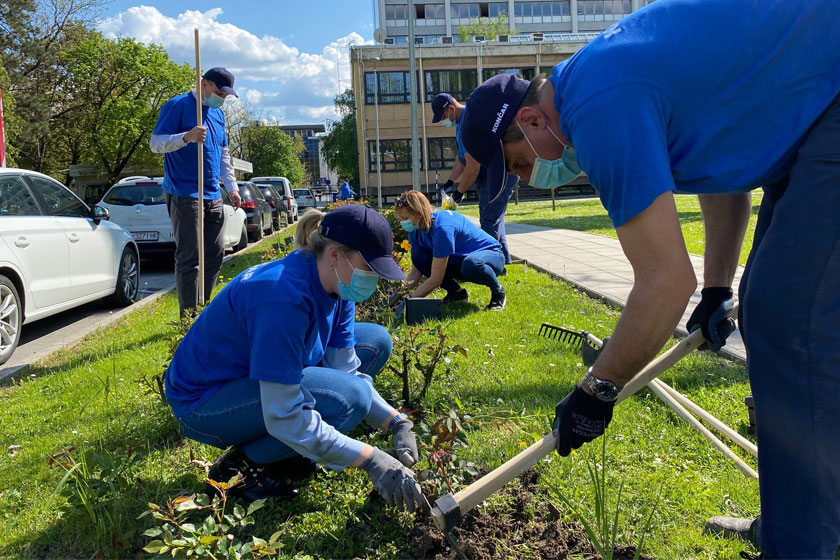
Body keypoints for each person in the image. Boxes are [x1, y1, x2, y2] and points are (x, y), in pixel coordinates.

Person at [459, 2, 840, 558]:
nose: (529, 179)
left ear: (533, 121)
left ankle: (805, 542)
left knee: (791, 322)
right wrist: (717, 290)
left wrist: (598, 389)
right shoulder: (598, 79)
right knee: (769, 312)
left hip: (828, 94)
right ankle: (803, 519)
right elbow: (722, 168)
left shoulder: (597, 111)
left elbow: (662, 283)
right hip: (810, 107)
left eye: (518, 164)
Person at [163, 205, 424, 511]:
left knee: (374, 342)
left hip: (254, 378)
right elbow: (284, 414)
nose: (373, 278)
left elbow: (347, 369)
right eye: (368, 266)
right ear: (335, 255)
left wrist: (396, 422)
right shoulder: (282, 298)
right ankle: (241, 466)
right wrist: (371, 459)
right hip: (204, 403)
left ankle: (290, 450)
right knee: (348, 401)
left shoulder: (337, 284)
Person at [150, 67, 242, 318]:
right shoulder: (177, 105)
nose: (222, 99)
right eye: (219, 93)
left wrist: (231, 188)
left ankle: (203, 310)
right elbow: (155, 143)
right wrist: (186, 137)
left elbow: (223, 156)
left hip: (212, 193)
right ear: (204, 84)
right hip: (184, 192)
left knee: (215, 253)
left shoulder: (217, 115)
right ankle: (188, 319)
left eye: (226, 96)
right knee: (190, 256)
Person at [431, 92, 519, 266]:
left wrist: (459, 192)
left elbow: (473, 167)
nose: (444, 121)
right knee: (493, 219)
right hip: (490, 177)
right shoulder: (460, 124)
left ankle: (491, 265)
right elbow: (461, 159)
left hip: (499, 176)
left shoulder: (470, 122)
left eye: (443, 117)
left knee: (488, 222)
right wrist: (450, 182)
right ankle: (504, 261)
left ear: (451, 108)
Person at [395, 190, 506, 311]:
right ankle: (456, 293)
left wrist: (408, 303)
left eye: (405, 218)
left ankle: (498, 292)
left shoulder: (442, 228)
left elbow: (436, 279)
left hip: (491, 256)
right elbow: (416, 272)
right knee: (419, 257)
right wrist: (395, 296)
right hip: (459, 260)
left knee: (471, 264)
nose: (403, 223)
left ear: (418, 214)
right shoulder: (415, 230)